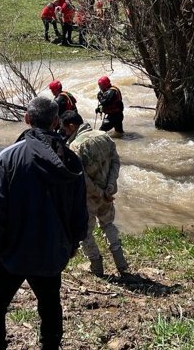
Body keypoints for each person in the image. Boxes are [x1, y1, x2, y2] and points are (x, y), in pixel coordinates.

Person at [0, 96, 88, 350]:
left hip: (11, 251)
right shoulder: (71, 161)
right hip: (52, 250)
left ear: (27, 119)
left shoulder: (8, 157)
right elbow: (80, 209)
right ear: (56, 122)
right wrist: (73, 243)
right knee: (50, 303)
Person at [60, 111, 129, 277]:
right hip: (107, 193)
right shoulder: (105, 136)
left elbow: (81, 177)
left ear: (72, 126)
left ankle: (97, 267)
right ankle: (121, 264)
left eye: (65, 130)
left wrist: (98, 192)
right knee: (108, 224)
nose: (64, 133)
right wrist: (110, 187)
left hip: (88, 197)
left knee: (85, 232)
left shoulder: (75, 146)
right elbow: (116, 162)